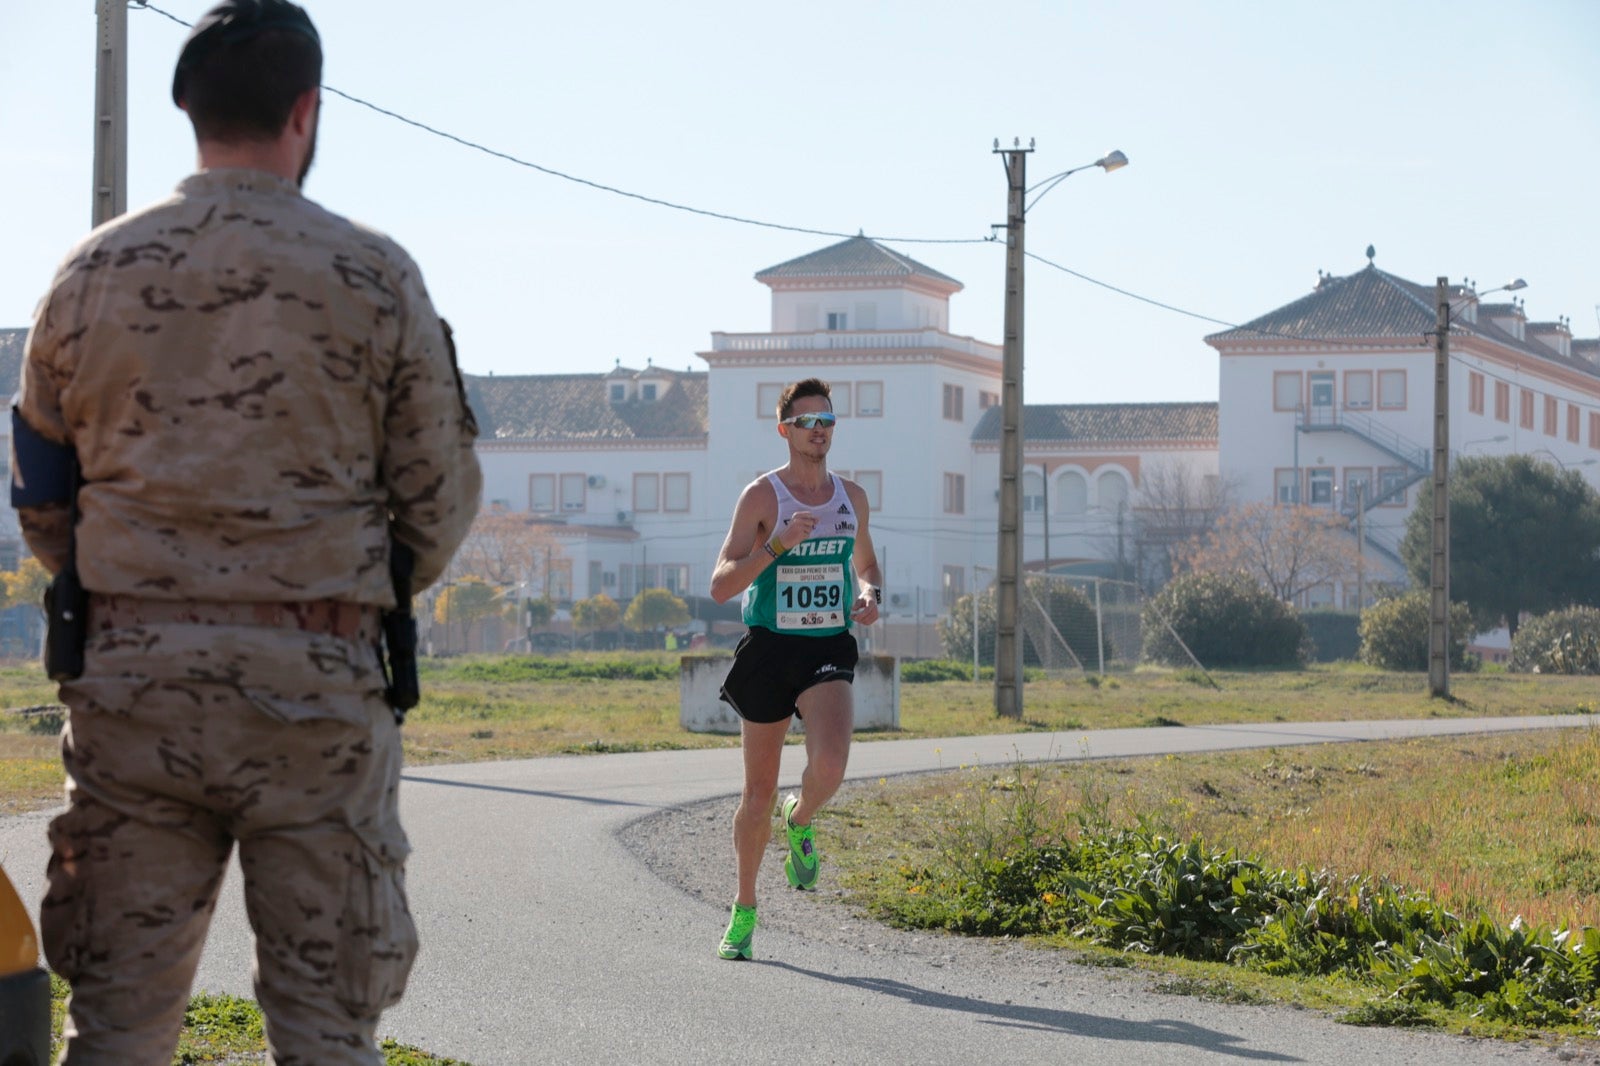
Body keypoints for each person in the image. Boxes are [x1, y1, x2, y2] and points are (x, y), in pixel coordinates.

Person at [11, 2, 483, 1062]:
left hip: (134, 689)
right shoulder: (374, 278)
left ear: (188, 109)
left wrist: (135, 595)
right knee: (326, 1030)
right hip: (316, 692)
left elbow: (42, 491)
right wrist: (348, 592)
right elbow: (437, 496)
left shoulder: (88, 275)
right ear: (306, 112)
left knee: (117, 1026)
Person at [708, 378, 881, 960]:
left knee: (830, 765)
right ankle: (745, 909)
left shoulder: (850, 498)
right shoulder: (763, 497)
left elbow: (867, 565)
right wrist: (777, 547)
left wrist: (870, 594)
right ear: (785, 431)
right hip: (768, 649)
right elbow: (720, 585)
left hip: (827, 644)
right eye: (807, 421)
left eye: (827, 419)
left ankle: (801, 817)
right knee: (756, 795)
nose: (819, 429)